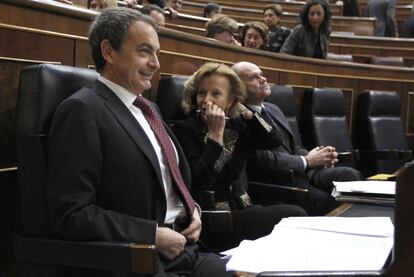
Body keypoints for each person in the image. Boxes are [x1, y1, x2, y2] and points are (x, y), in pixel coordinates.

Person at [46, 8, 232, 277]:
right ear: (109, 52)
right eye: (145, 51)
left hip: (187, 251)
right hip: (139, 260)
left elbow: (173, 181)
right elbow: (72, 214)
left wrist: (194, 211)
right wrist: (152, 235)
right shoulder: (82, 110)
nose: (156, 63)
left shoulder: (150, 109)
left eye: (157, 52)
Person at [172, 62, 307, 250]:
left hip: (242, 207)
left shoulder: (237, 124)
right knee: (295, 214)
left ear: (231, 101)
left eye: (216, 94)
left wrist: (249, 114)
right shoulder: (184, 129)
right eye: (201, 93)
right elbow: (199, 180)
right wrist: (215, 136)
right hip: (213, 217)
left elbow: (274, 140)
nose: (206, 100)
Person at [232, 61, 363, 215]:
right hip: (281, 180)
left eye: (262, 74)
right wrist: (307, 161)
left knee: (351, 176)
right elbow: (264, 160)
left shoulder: (273, 109)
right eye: (254, 77)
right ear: (238, 86)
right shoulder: (241, 118)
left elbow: (295, 147)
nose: (263, 79)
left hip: (304, 172)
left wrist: (320, 157)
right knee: (327, 200)